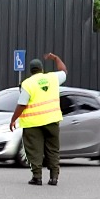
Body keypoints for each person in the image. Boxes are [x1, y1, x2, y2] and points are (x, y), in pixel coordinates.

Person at [9, 52, 66, 186]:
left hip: (32, 123)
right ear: (42, 69)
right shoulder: (53, 78)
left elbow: (22, 104)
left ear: (31, 70)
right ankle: (54, 178)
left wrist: (13, 119)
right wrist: (56, 58)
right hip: (52, 120)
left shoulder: (27, 84)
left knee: (34, 150)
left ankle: (37, 177)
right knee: (53, 149)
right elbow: (64, 70)